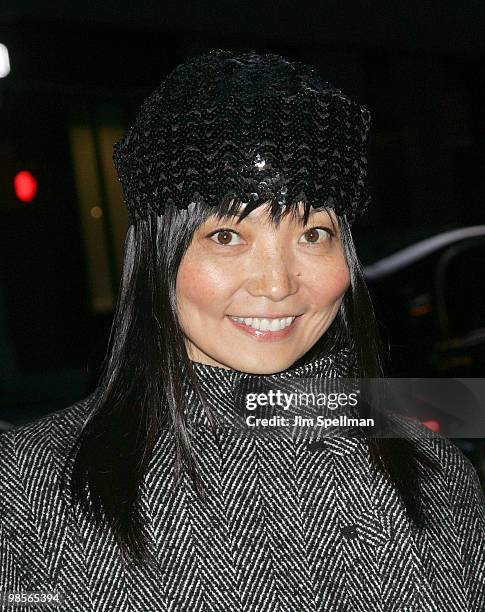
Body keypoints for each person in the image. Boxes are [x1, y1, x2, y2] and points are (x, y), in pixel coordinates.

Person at [0, 49, 484, 612]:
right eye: (227, 236)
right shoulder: (31, 487)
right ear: (156, 256)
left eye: (315, 234)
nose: (278, 284)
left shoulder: (432, 465)